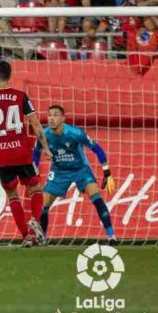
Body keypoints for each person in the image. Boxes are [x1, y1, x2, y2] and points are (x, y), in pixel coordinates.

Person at [0, 61, 51, 247]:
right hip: (22, 152)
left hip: (2, 156)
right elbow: (35, 123)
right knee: (35, 188)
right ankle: (35, 219)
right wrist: (46, 147)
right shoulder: (20, 96)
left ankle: (26, 236)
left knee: (13, 195)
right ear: (9, 76)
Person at [33, 105, 117, 245]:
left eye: (55, 115)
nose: (51, 118)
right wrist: (34, 169)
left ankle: (111, 236)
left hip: (80, 170)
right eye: (49, 115)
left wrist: (106, 171)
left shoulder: (75, 133)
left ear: (63, 118)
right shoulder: (44, 134)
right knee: (44, 205)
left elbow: (96, 148)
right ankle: (43, 238)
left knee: (95, 196)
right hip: (59, 171)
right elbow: (36, 152)